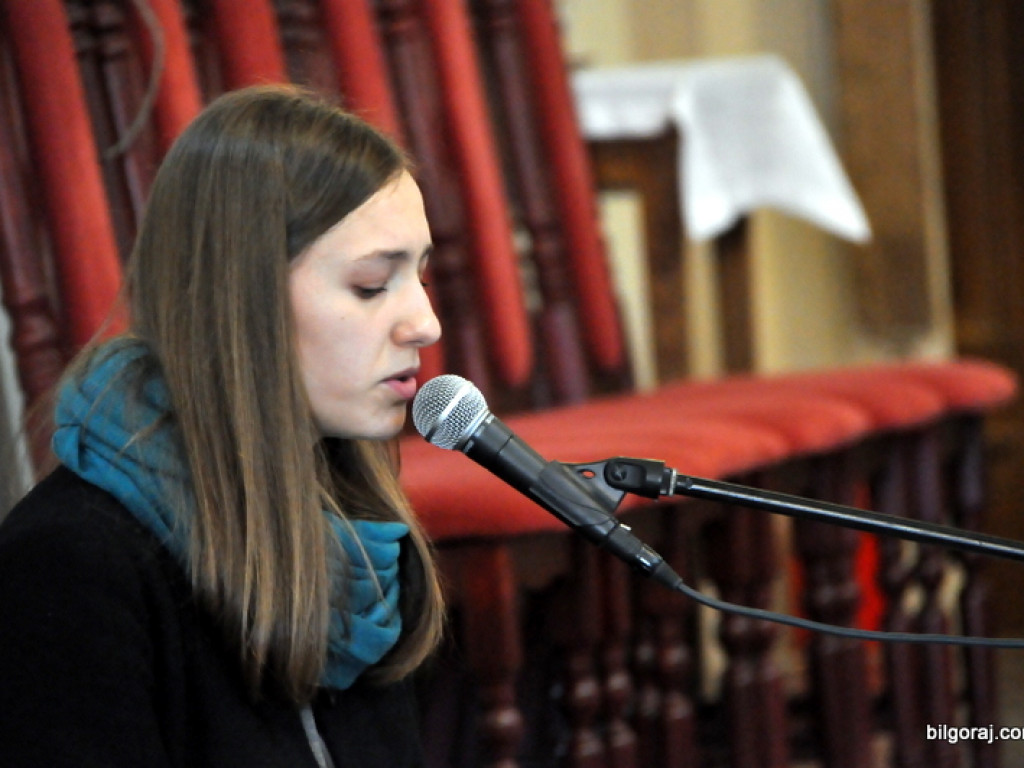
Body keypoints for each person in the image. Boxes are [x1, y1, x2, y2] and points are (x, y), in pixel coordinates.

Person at [0, 84, 445, 767]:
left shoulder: (365, 540)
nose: (425, 323)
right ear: (239, 297)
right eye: (370, 284)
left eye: (421, 277)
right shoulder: (70, 567)